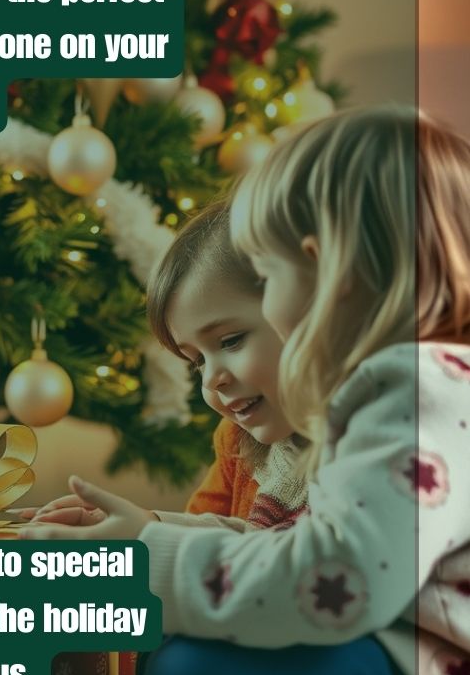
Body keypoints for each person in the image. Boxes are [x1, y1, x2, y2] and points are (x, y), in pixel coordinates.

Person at [22, 106, 470, 675]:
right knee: (173, 649)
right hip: (412, 658)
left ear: (327, 276)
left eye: (268, 271)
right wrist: (149, 532)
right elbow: (308, 550)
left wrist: (153, 556)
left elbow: (332, 580)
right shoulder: (406, 388)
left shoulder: (410, 392)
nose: (212, 382)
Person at [34, 200, 307, 535]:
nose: (212, 379)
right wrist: (145, 526)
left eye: (231, 341)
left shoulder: (367, 445)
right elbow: (197, 541)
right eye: (198, 361)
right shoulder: (236, 441)